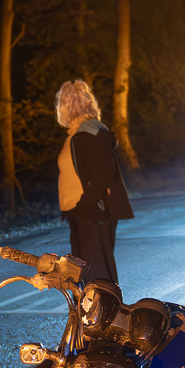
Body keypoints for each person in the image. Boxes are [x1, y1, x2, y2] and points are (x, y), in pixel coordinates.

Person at [55, 79, 133, 291]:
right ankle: (97, 320)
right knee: (91, 278)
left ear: (65, 106)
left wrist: (82, 206)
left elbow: (101, 177)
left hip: (91, 213)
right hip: (84, 212)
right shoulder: (80, 133)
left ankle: (107, 321)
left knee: (98, 278)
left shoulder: (86, 134)